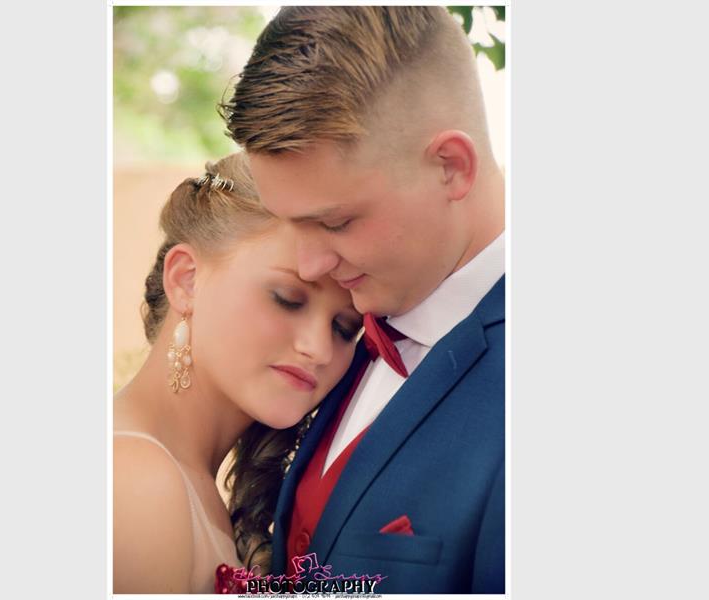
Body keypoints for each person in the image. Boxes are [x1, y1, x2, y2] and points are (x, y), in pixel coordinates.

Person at [221, 7, 505, 593]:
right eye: (290, 224)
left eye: (336, 222)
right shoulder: (344, 336)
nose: (309, 266)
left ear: (451, 167)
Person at [113, 153, 362, 593]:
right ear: (187, 279)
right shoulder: (135, 482)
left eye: (344, 328)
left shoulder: (181, 478)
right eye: (287, 298)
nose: (319, 348)